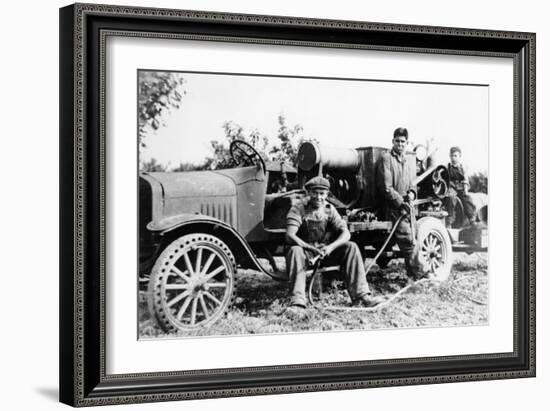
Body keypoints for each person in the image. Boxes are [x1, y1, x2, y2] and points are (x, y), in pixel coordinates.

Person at [285, 176, 384, 308]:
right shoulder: (298, 208)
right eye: (315, 193)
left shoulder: (329, 209)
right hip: (305, 254)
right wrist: (310, 248)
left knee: (351, 247)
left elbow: (346, 233)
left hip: (325, 253)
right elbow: (290, 235)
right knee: (295, 250)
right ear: (308, 192)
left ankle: (361, 295)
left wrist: (330, 248)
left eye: (322, 194)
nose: (318, 197)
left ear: (327, 194)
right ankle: (297, 301)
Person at [375, 127, 420, 280]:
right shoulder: (386, 158)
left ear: (407, 143)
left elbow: (413, 184)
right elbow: (386, 188)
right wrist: (400, 203)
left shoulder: (407, 160)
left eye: (403, 142)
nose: (400, 144)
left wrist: (412, 194)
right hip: (392, 207)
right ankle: (419, 276)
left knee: (414, 238)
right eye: (397, 141)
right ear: (393, 141)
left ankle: (412, 275)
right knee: (408, 241)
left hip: (407, 207)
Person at [445, 146, 476, 227]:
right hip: (451, 187)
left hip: (461, 187)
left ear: (460, 156)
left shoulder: (463, 167)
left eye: (455, 156)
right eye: (452, 156)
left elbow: (465, 179)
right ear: (449, 156)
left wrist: (465, 189)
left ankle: (471, 218)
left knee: (467, 199)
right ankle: (449, 220)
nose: (453, 158)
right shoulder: (447, 167)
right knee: (450, 198)